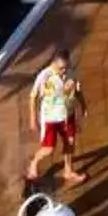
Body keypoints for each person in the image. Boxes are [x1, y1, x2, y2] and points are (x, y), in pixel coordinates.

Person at [25, 54, 85, 188]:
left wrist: (83, 105)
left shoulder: (71, 73)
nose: (64, 71)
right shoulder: (44, 76)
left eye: (66, 68)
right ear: (54, 64)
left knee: (70, 143)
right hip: (50, 118)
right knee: (48, 149)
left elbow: (78, 91)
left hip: (67, 115)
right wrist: (33, 118)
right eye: (61, 69)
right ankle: (34, 163)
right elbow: (33, 96)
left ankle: (68, 171)